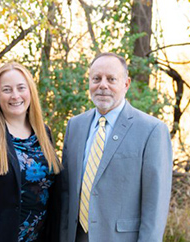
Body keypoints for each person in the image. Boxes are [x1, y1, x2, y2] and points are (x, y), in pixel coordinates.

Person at [60, 52, 173, 242]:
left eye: (111, 79)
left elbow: (155, 207)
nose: (103, 85)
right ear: (89, 82)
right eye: (96, 78)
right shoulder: (75, 126)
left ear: (126, 84)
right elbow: (65, 193)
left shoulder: (152, 130)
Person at [0, 62, 62, 242]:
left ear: (30, 91)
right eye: (7, 90)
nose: (15, 95)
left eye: (21, 88)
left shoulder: (43, 133)